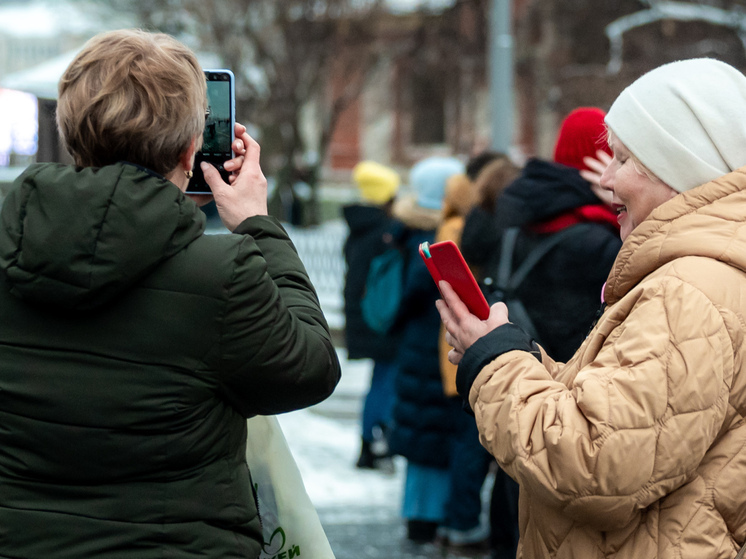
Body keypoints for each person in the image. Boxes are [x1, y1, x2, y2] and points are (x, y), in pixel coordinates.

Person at [0, 29, 340, 559]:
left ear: (71, 136)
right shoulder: (222, 274)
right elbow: (310, 368)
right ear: (190, 149)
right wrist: (258, 223)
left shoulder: (8, 252)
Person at [437, 57, 746, 559]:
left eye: (623, 159)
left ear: (677, 164)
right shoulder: (706, 274)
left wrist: (496, 366)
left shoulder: (687, 289)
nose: (606, 181)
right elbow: (638, 426)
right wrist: (522, 359)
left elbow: (595, 467)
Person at [386, 155, 466, 543]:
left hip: (416, 349)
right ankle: (430, 516)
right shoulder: (446, 239)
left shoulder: (405, 234)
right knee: (435, 432)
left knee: (423, 436)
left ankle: (419, 514)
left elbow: (403, 301)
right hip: (438, 352)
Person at [342, 160, 401, 470]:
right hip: (381, 318)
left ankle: (370, 440)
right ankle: (374, 443)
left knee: (381, 378)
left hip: (365, 315)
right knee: (386, 380)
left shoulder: (359, 227)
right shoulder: (384, 231)